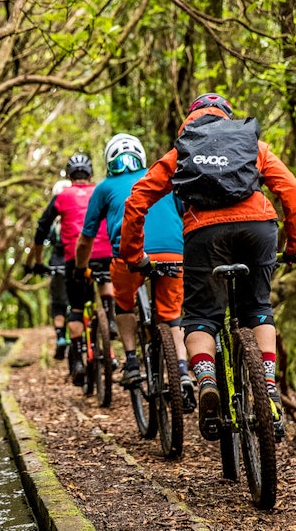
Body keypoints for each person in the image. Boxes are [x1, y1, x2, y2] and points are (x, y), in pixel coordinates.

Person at [119, 93, 296, 438]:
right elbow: (291, 190)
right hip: (258, 228)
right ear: (227, 117)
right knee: (258, 309)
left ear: (191, 119)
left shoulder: (183, 151)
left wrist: (133, 255)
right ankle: (267, 385)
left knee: (202, 317)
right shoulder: (252, 145)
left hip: (205, 234)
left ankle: (206, 379)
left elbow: (137, 200)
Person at [74, 133, 193, 410]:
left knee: (124, 306)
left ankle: (130, 362)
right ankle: (182, 371)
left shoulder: (104, 188)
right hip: (173, 252)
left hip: (129, 255)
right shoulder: (160, 177)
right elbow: (185, 212)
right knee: (172, 316)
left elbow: (86, 238)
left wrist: (80, 268)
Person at [27, 154, 114, 386]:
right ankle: (110, 318)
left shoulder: (62, 196)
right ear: (90, 174)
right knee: (106, 278)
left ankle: (77, 363)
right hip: (105, 253)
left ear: (68, 176)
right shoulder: (101, 191)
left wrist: (38, 261)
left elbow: (42, 228)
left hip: (75, 258)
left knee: (75, 308)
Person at [26, 179, 72, 359]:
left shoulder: (53, 221)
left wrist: (33, 264)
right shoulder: (82, 212)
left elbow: (37, 240)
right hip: (81, 260)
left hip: (58, 263)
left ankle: (60, 338)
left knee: (58, 304)